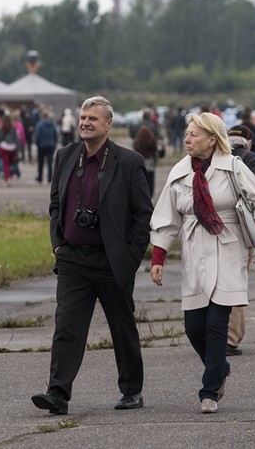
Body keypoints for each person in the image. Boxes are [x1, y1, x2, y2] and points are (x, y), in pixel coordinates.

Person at [32, 96, 153, 415]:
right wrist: (58, 243)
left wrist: (130, 256)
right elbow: (55, 203)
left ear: (108, 124)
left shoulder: (129, 162)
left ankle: (132, 390)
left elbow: (143, 215)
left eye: (92, 119)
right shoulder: (66, 156)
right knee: (67, 326)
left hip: (112, 261)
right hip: (73, 259)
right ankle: (57, 392)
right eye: (83, 117)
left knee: (122, 327)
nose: (85, 122)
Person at [149, 112, 255, 414]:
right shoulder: (179, 172)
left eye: (194, 134)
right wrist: (159, 258)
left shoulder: (233, 167)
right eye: (187, 133)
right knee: (194, 328)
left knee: (218, 323)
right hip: (194, 250)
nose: (187, 139)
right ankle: (220, 367)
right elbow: (166, 218)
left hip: (229, 247)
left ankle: (210, 390)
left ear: (211, 138)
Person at [225, 124, 255, 357]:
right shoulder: (250, 158)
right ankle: (231, 338)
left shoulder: (216, 155)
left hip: (214, 225)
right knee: (236, 281)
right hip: (241, 227)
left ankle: (214, 333)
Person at [132, 124, 158, 197]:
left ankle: (142, 195)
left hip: (141, 164)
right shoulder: (152, 140)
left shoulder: (137, 141)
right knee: (150, 180)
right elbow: (155, 150)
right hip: (150, 164)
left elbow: (134, 150)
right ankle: (150, 195)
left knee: (142, 181)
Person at [34, 109, 58, 184]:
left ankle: (40, 177)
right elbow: (55, 134)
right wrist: (54, 143)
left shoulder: (39, 124)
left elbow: (37, 135)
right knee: (50, 162)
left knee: (40, 162)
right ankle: (49, 178)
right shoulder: (52, 124)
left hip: (41, 145)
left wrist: (37, 144)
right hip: (50, 144)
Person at [0, 112, 19, 187]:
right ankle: (10, 175)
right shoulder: (13, 128)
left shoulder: (1, 127)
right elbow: (16, 139)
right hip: (12, 147)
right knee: (10, 163)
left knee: (5, 164)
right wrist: (17, 148)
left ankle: (7, 178)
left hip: (4, 146)